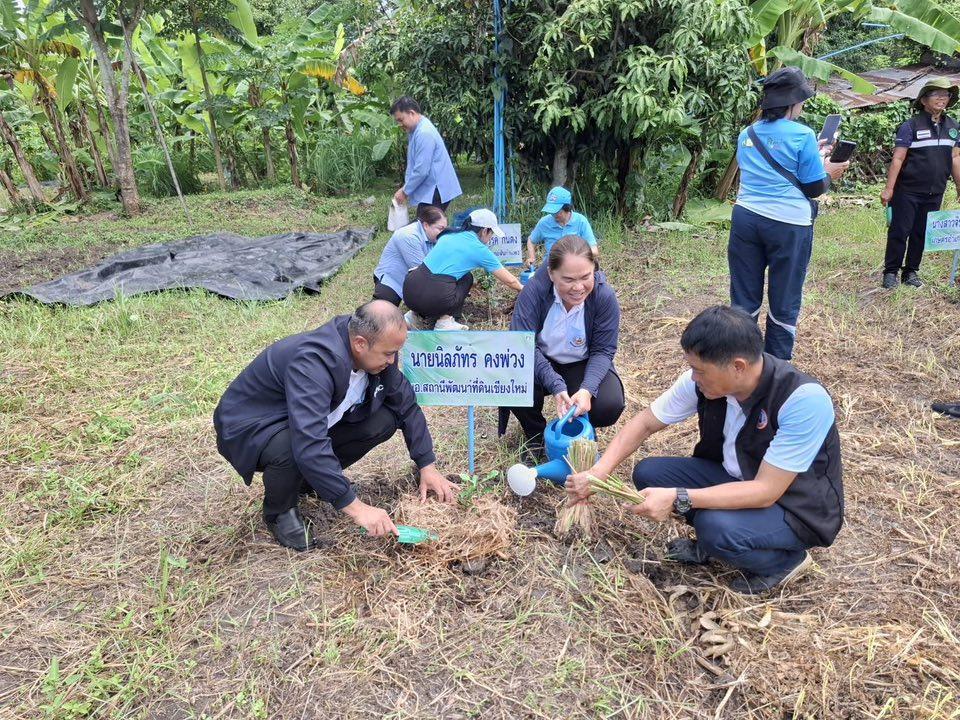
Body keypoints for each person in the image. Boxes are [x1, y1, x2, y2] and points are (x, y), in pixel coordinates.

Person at [566, 305, 843, 595]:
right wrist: (598, 472)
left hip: (793, 507)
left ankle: (783, 562)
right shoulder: (704, 383)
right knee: (650, 473)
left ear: (738, 366)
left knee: (713, 526)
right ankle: (715, 544)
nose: (694, 378)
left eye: (699, 371)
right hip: (737, 478)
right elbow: (645, 423)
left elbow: (765, 491)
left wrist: (678, 497)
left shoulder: (802, 400)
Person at [213, 301, 458, 551]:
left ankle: (311, 482)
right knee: (291, 446)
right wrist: (356, 508)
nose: (392, 360)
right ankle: (280, 511)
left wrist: (427, 465)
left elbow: (406, 405)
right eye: (388, 354)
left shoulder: (371, 351)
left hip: (300, 421)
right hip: (251, 425)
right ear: (360, 343)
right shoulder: (314, 363)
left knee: (384, 419)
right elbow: (309, 441)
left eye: (395, 352)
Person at [729, 66, 849, 360]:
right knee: (784, 299)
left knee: (744, 298)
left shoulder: (747, 133)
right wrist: (830, 172)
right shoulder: (803, 134)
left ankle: (741, 361)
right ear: (794, 103)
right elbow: (813, 187)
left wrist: (814, 154)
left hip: (746, 218)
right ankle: (776, 367)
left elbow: (771, 167)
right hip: (788, 224)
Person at [503, 235, 625, 453]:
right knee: (511, 380)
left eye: (585, 277)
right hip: (539, 359)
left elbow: (603, 350)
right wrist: (555, 384)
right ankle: (536, 434)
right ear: (551, 273)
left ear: (594, 270)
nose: (578, 287)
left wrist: (587, 389)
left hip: (581, 362)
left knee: (609, 404)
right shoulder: (534, 292)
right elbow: (522, 343)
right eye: (568, 280)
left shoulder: (604, 296)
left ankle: (579, 427)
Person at [880, 77, 960, 289]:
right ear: (924, 100)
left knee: (921, 232)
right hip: (907, 191)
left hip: (935, 192)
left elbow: (955, 158)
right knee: (900, 231)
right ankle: (890, 273)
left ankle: (911, 272)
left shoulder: (953, 127)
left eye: (946, 95)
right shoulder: (910, 126)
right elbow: (897, 158)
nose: (942, 98)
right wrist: (889, 189)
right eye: (937, 94)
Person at [403, 208, 523, 331]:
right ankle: (445, 322)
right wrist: (525, 289)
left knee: (438, 278)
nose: (491, 237)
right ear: (484, 231)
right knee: (467, 278)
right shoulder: (479, 249)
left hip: (410, 292)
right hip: (436, 299)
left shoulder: (448, 235)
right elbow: (510, 281)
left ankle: (413, 316)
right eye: (491, 233)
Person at [391, 96, 462, 214]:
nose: (399, 124)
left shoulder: (424, 133)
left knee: (426, 227)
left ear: (411, 113)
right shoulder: (415, 130)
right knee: (427, 226)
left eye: (401, 120)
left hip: (438, 188)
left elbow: (421, 170)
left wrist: (405, 191)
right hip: (433, 187)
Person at [372, 206, 448, 306]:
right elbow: (423, 271)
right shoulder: (408, 236)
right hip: (392, 281)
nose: (444, 233)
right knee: (380, 314)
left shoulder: (434, 238)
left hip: (413, 280)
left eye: (445, 229)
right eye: (440, 228)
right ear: (425, 225)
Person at [526, 186, 599, 267]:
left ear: (567, 208)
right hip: (551, 266)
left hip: (576, 266)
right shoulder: (544, 223)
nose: (553, 215)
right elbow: (531, 240)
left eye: (557, 212)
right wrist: (532, 257)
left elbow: (594, 250)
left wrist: (575, 257)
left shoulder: (581, 221)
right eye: (551, 211)